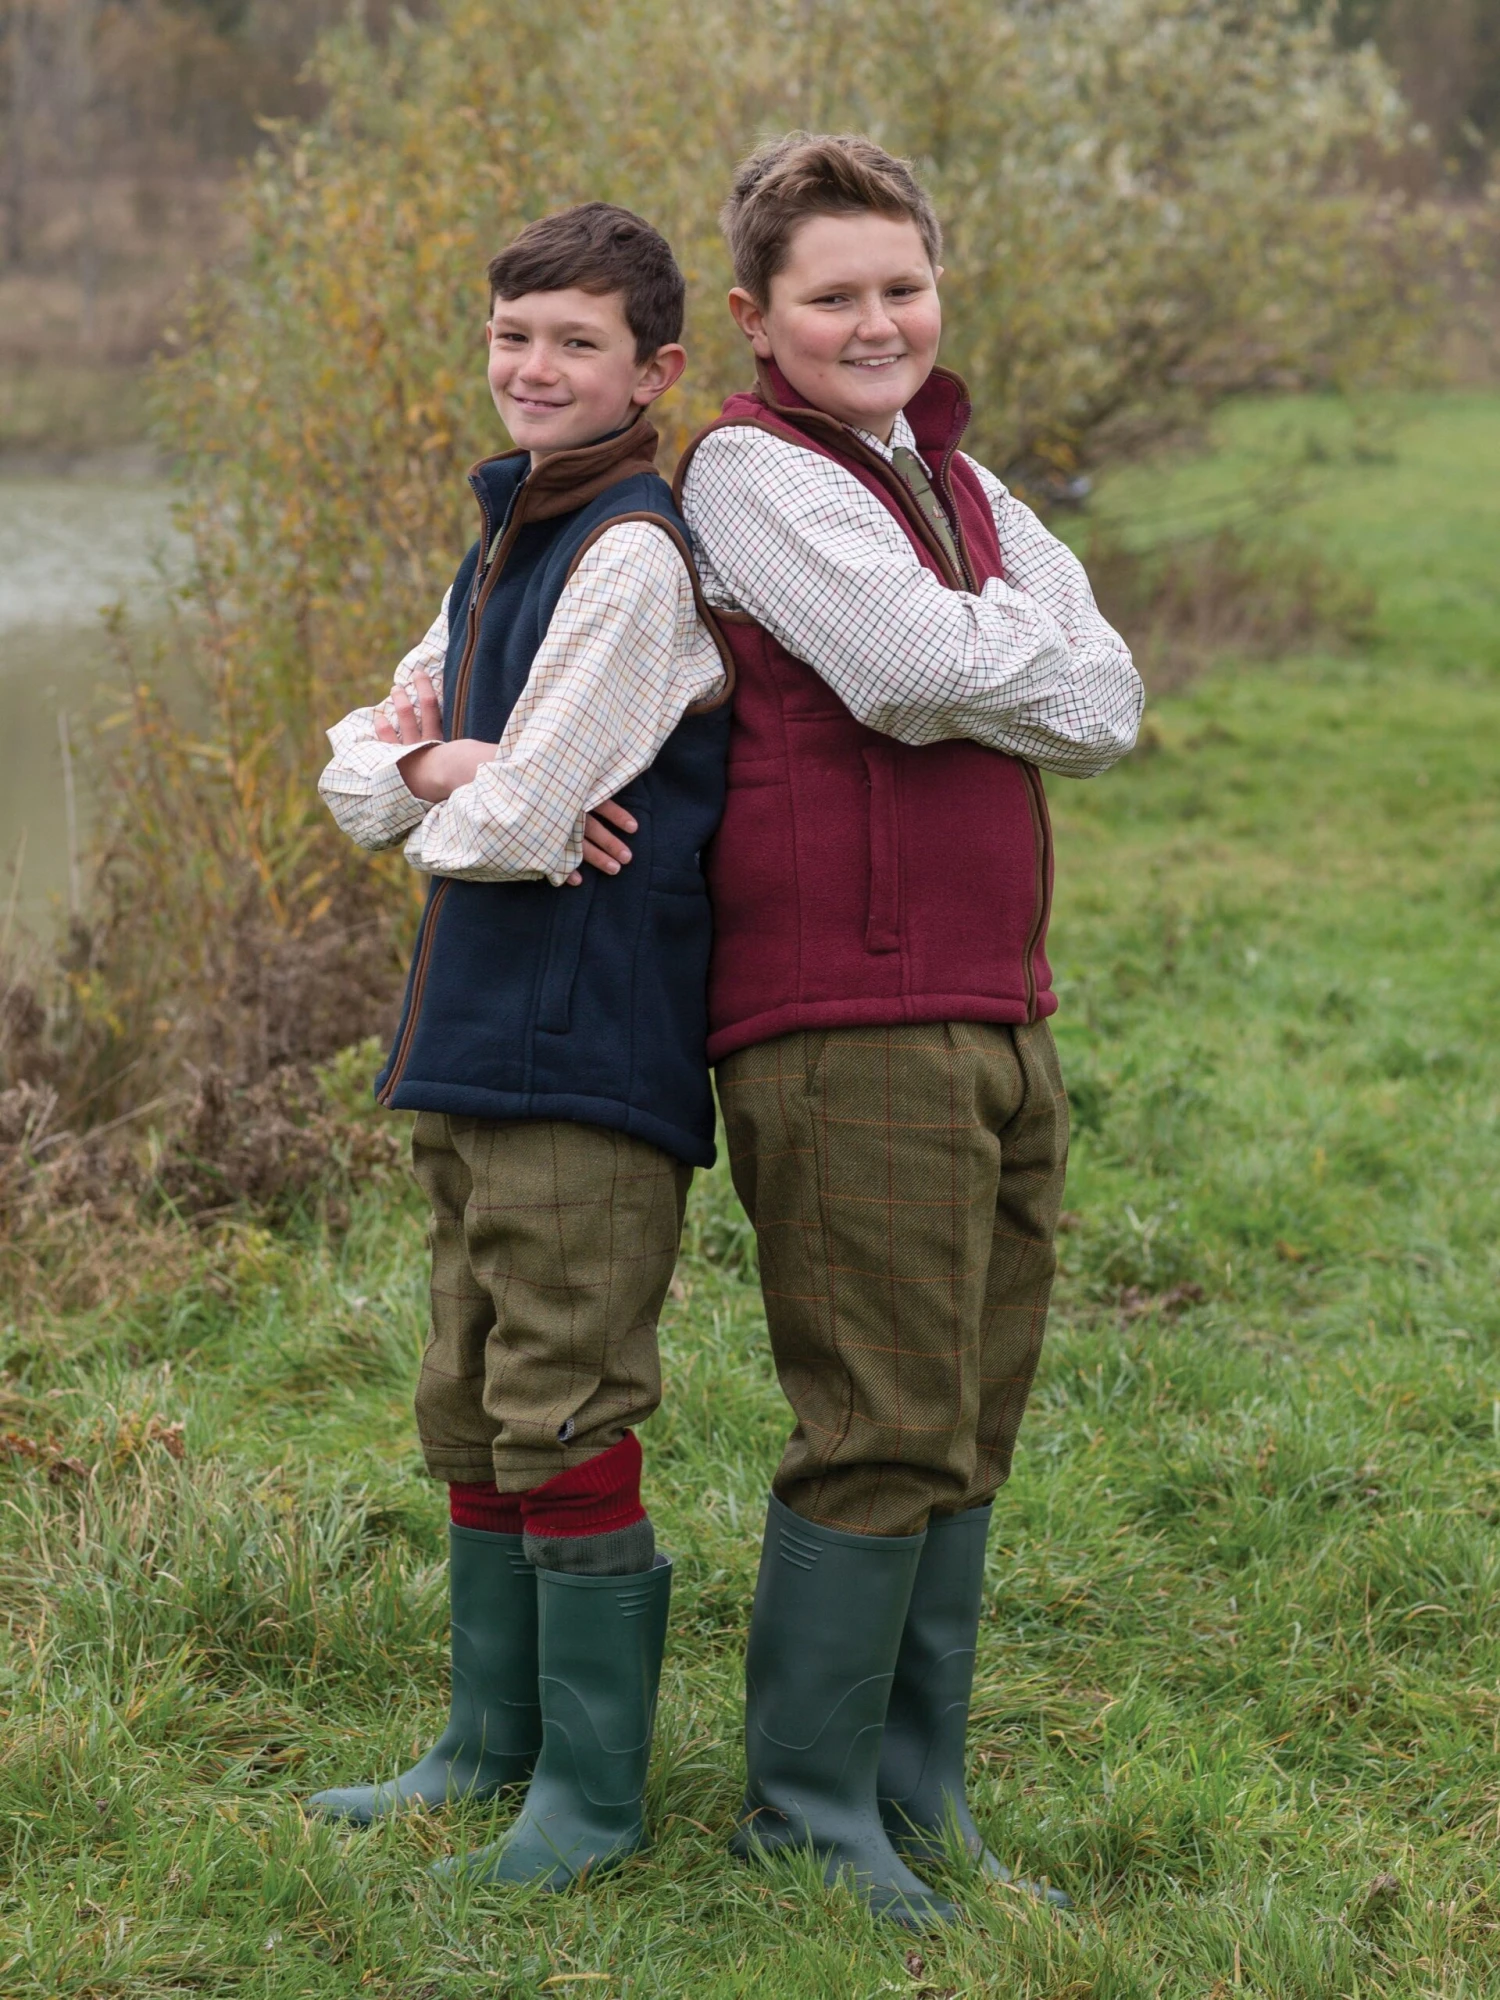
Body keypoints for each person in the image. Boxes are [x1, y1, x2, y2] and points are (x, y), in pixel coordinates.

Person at [673, 133, 1144, 1926]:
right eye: (835, 295)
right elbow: (904, 671)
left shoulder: (955, 469)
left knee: (971, 1413)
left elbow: (1110, 702)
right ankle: (805, 1811)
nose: (879, 321)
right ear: (757, 315)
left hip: (997, 1000)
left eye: (902, 286)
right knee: (879, 1415)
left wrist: (997, 646)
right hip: (842, 1008)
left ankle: (914, 1786)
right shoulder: (746, 472)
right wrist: (999, 650)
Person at [309, 202, 731, 1890]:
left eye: (574, 340)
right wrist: (436, 768)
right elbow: (358, 768)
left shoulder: (629, 552)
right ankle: (486, 1746)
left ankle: (592, 1801)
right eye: (511, 336)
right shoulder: (497, 543)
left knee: (561, 1402)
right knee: (469, 1397)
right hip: (472, 1039)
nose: (534, 368)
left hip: (586, 1047)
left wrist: (490, 786)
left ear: (655, 367)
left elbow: (528, 818)